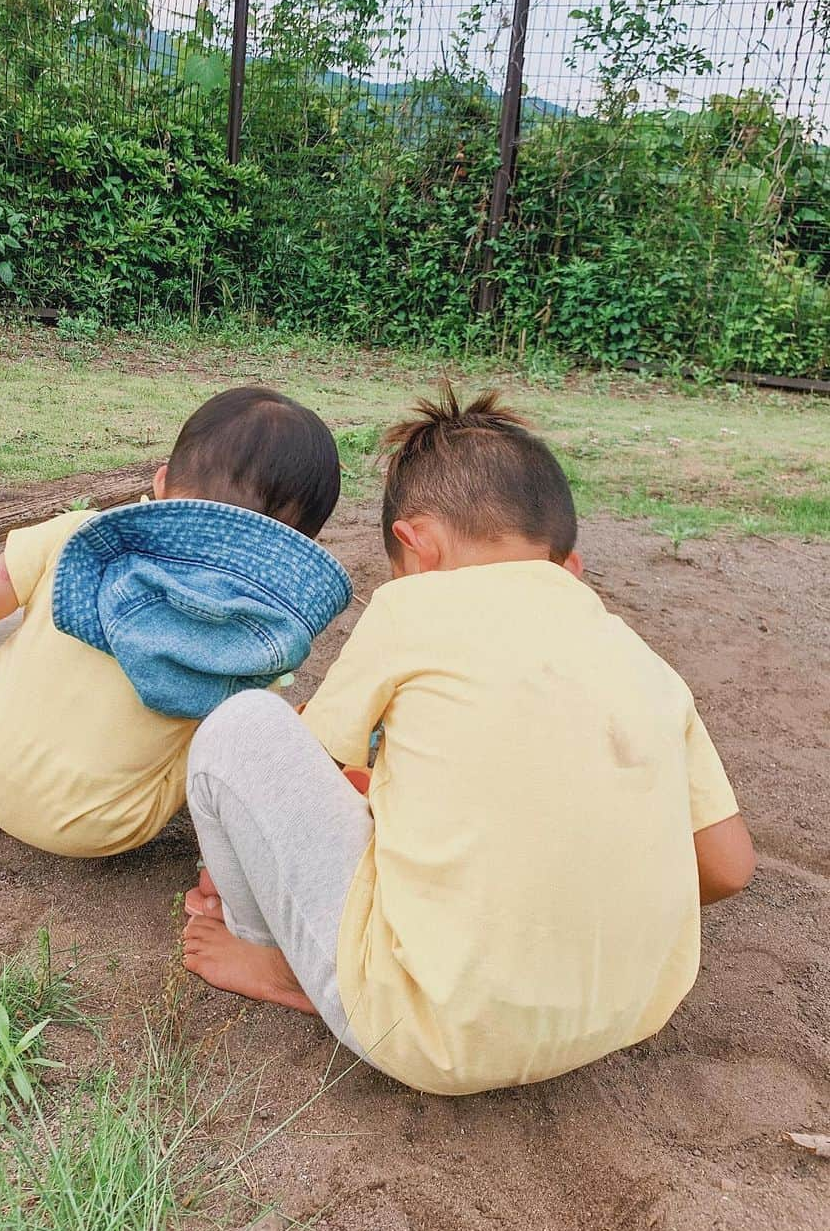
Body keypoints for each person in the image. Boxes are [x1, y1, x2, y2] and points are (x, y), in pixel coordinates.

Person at [181, 384, 755, 1095]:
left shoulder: (413, 604)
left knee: (243, 728)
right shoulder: (645, 661)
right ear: (567, 567)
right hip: (629, 1011)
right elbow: (729, 866)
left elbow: (311, 763)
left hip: (429, 1030)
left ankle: (269, 948)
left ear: (414, 547)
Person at [0, 387, 352, 858]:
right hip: (106, 823)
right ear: (297, 547)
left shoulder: (80, 536)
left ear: (162, 482)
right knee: (234, 717)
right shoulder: (264, 637)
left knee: (4, 602)